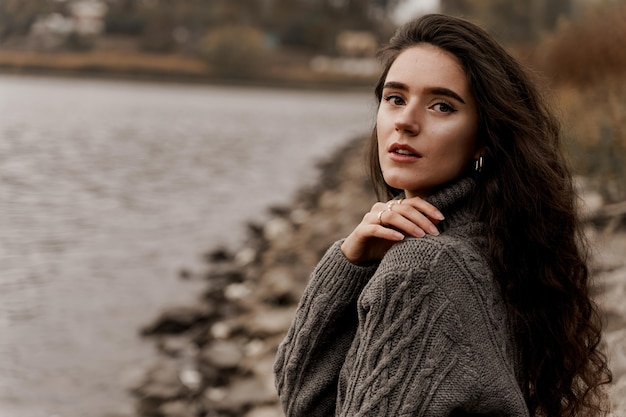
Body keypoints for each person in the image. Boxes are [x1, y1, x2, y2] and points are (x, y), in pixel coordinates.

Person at [274, 13, 612, 417]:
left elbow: (302, 406)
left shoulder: (422, 268)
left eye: (441, 106)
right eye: (395, 98)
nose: (405, 122)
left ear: (482, 139)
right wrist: (349, 262)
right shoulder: (497, 239)